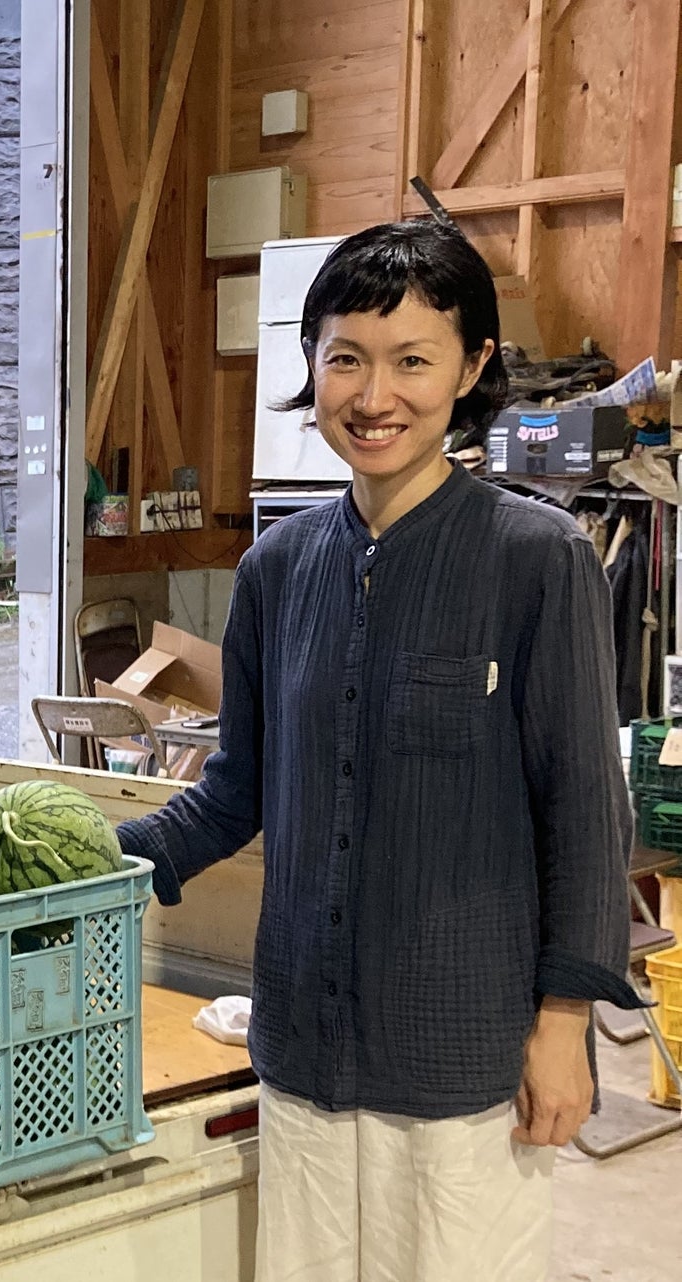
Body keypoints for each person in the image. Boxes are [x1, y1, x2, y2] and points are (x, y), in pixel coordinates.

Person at [115, 220, 638, 1282]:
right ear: (312, 364)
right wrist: (99, 859)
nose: (372, 395)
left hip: (462, 1056)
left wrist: (564, 1024)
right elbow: (234, 792)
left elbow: (585, 809)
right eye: (346, 356)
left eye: (412, 360)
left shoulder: (538, 559)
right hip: (305, 1047)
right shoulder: (277, 570)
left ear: (472, 367)